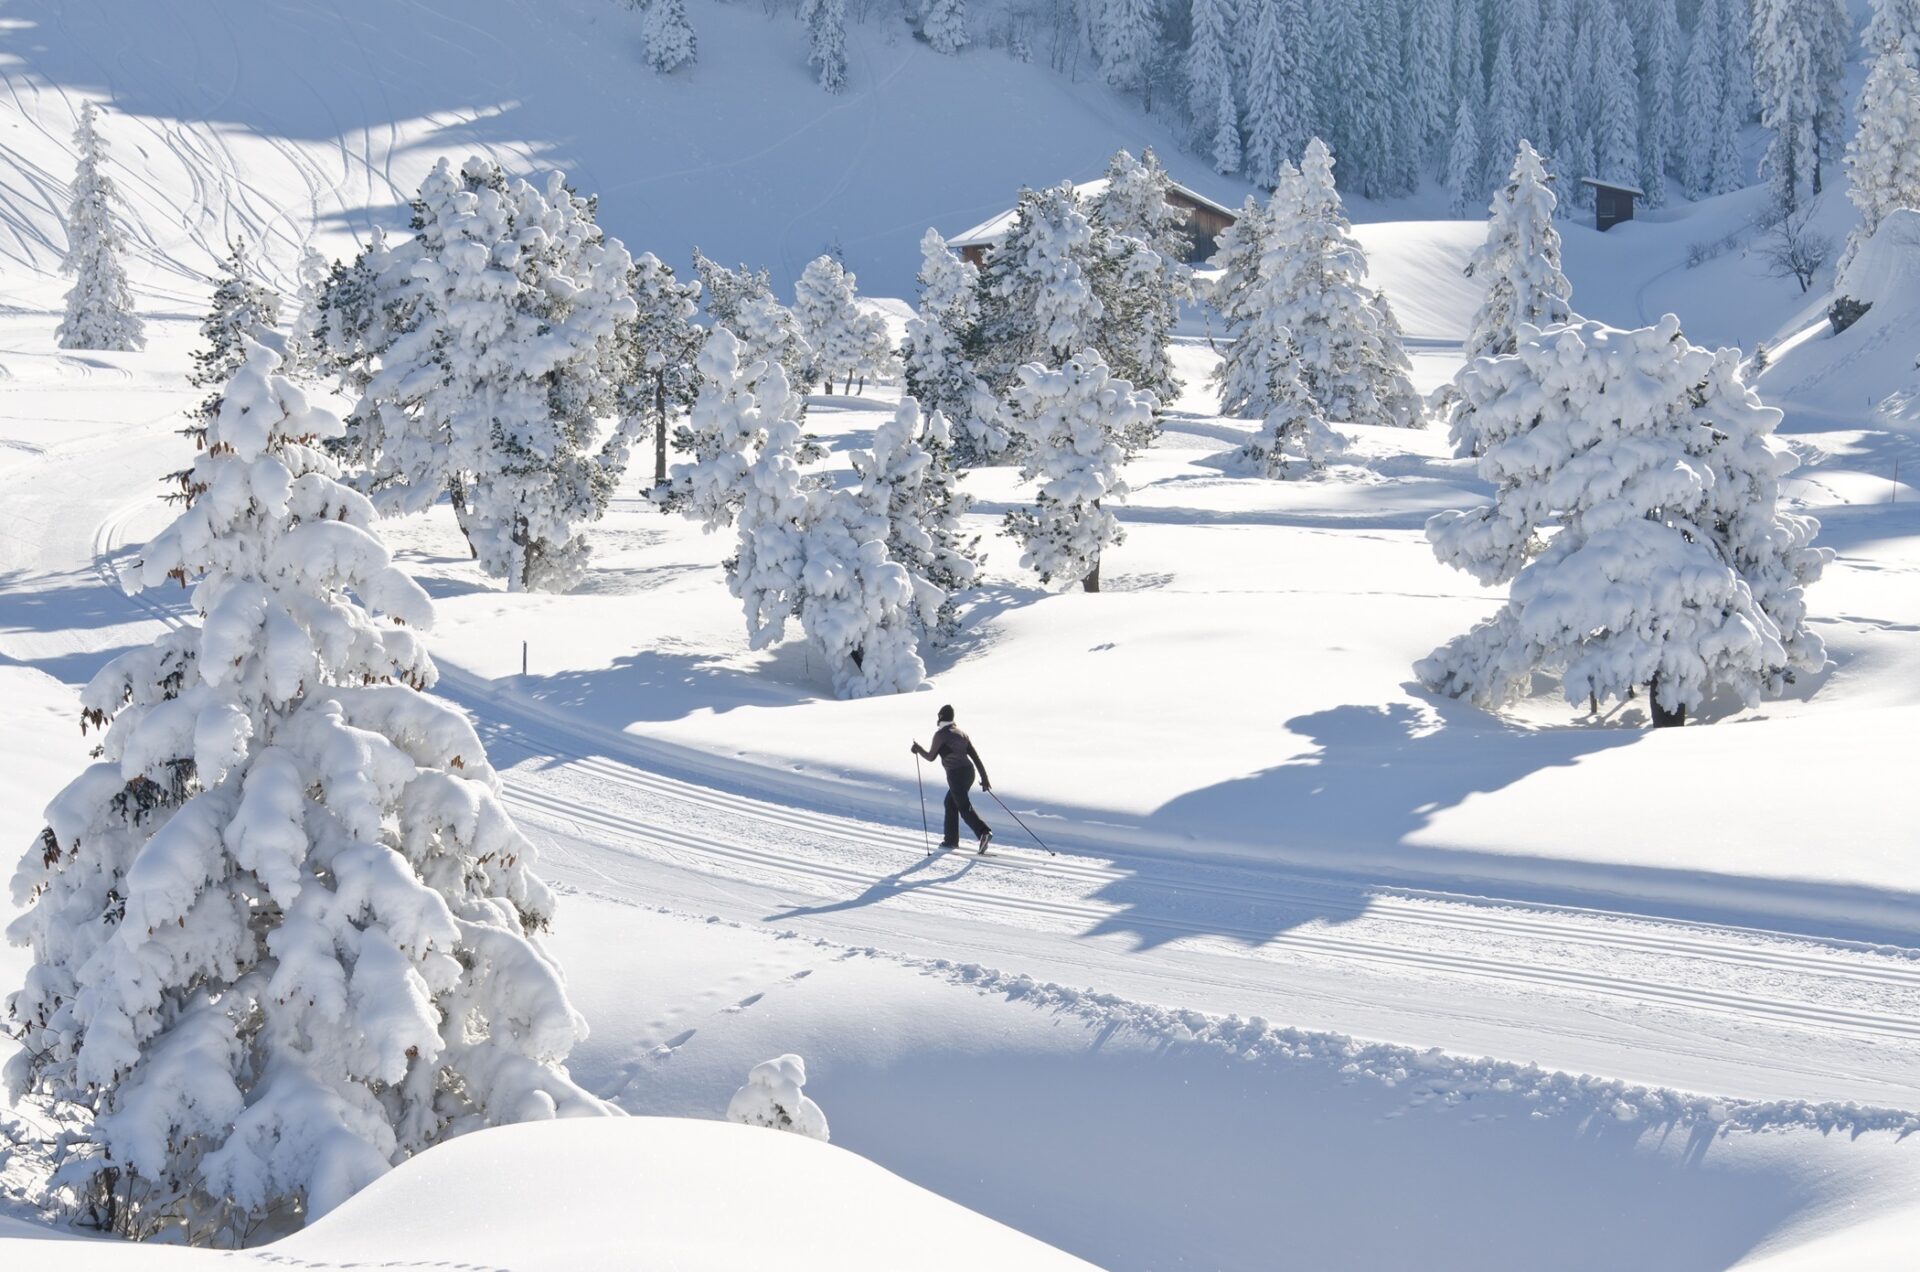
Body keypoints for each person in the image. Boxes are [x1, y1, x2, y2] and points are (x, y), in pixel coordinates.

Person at [911, 704, 993, 852]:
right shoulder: (962, 733)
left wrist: (918, 749)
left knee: (963, 807)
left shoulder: (941, 734)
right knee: (950, 802)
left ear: (941, 717)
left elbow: (930, 757)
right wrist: (985, 779)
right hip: (969, 773)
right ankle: (951, 840)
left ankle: (983, 832)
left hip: (956, 775)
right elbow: (975, 757)